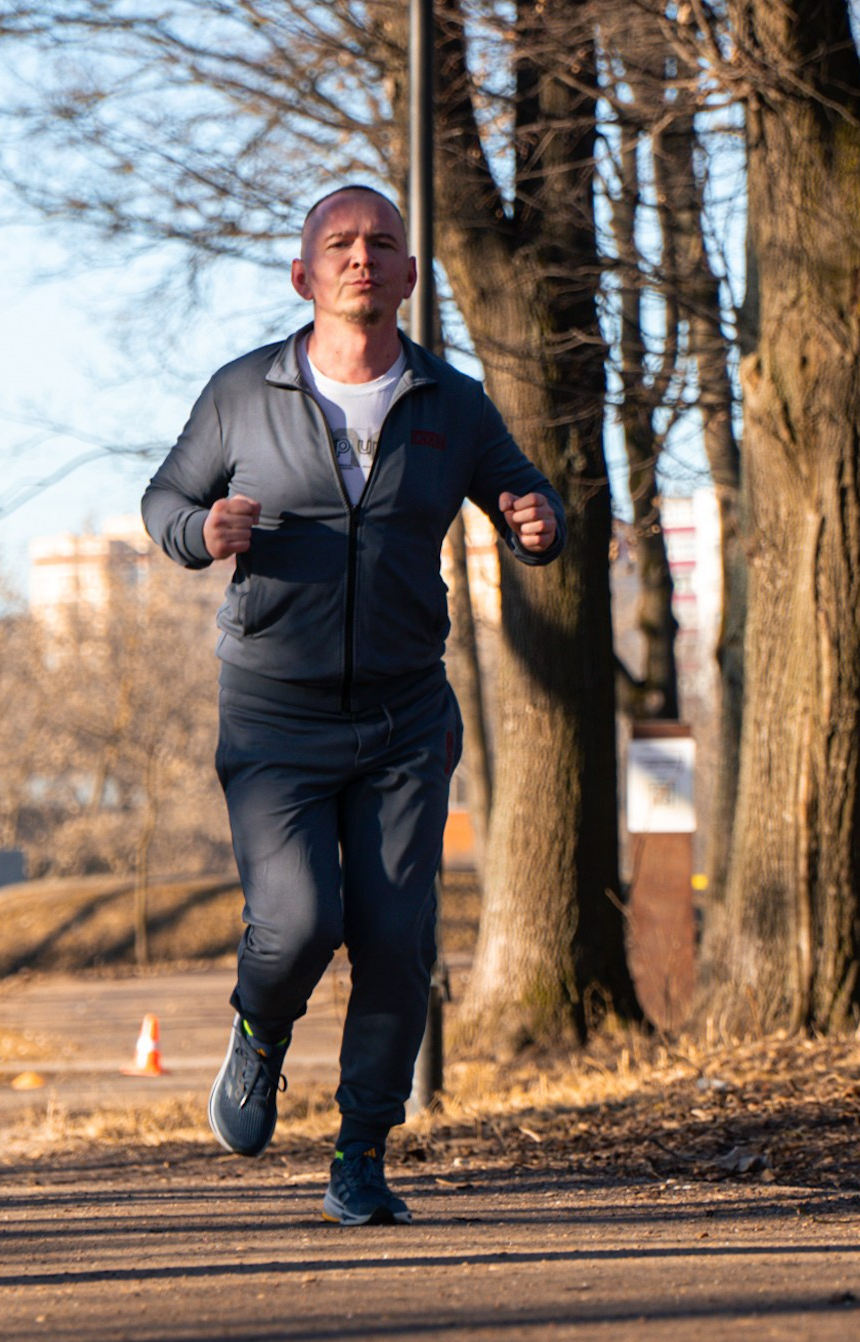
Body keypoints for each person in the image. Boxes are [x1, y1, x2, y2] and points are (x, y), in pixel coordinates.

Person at [141, 184, 564, 1225]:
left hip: (403, 717)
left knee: (395, 934)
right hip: (274, 713)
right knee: (295, 920)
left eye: (381, 243)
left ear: (411, 275)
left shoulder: (449, 401)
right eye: (338, 244)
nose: (360, 259)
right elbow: (164, 501)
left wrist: (532, 516)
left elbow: (523, 487)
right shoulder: (243, 392)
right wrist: (204, 535)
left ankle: (360, 1153)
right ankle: (256, 1034)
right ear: (303, 274)